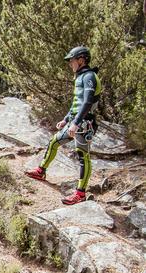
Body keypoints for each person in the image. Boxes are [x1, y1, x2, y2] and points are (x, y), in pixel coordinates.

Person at [25, 46, 102, 205]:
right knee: (54, 141)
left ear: (81, 60)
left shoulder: (89, 77)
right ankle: (41, 171)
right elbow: (76, 103)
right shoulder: (80, 77)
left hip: (85, 123)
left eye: (72, 60)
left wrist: (75, 123)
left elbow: (87, 102)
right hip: (76, 122)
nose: (70, 64)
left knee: (83, 156)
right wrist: (66, 119)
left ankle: (80, 194)